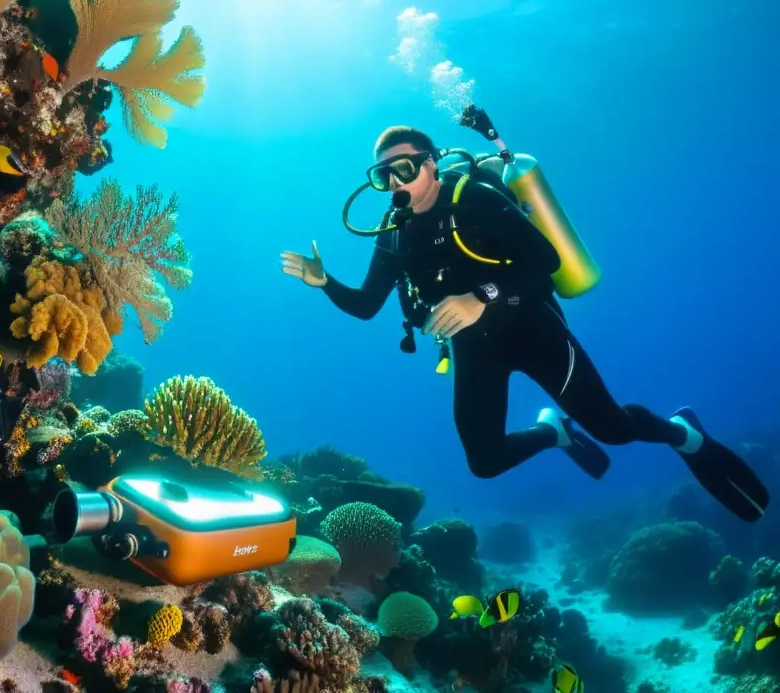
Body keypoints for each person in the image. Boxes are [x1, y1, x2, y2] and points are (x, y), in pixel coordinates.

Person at [281, 125, 770, 523]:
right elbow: (367, 305)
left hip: (535, 330)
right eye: (382, 176)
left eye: (403, 169)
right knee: (485, 462)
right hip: (475, 350)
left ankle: (684, 432)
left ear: (430, 164)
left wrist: (481, 296)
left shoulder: (473, 199)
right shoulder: (393, 234)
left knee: (615, 430)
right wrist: (325, 282)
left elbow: (544, 258)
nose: (394, 184)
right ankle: (555, 433)